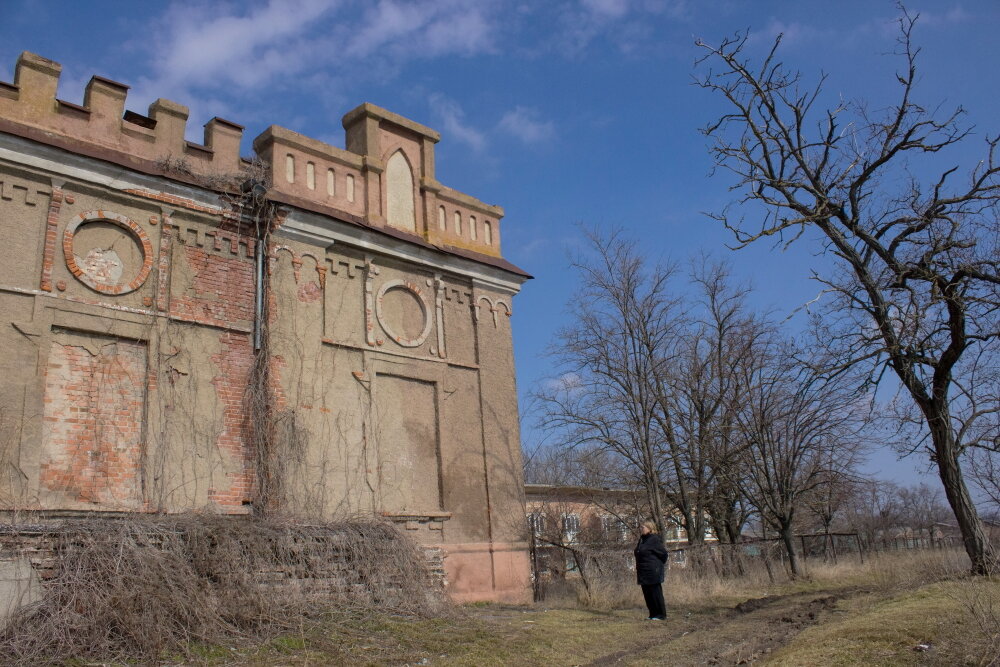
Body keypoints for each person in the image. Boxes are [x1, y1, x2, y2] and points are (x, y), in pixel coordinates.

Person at [633, 520, 668, 620]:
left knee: (655, 593)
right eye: (641, 527)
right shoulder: (642, 540)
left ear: (649, 528)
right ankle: (652, 614)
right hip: (643, 571)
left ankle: (661, 615)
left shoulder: (654, 539)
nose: (641, 529)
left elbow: (664, 554)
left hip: (653, 571)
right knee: (647, 593)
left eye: (643, 527)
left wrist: (657, 566)